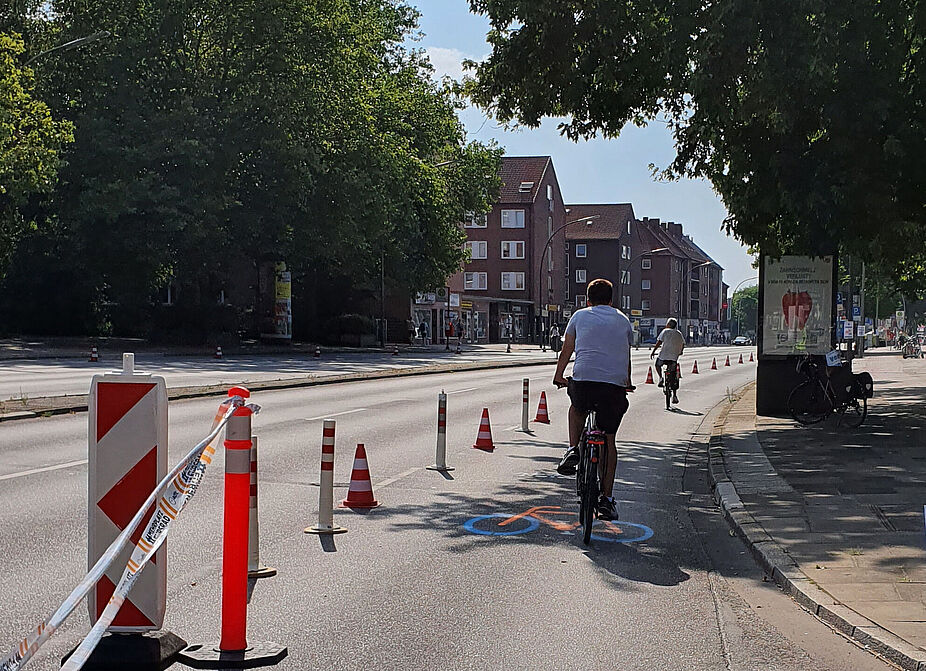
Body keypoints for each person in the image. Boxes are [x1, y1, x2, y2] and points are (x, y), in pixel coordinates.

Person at [553, 278, 633, 521]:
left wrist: (558, 375)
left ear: (588, 300)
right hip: (613, 387)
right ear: (611, 300)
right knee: (609, 441)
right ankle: (607, 500)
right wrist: (626, 382)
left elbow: (567, 349)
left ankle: (572, 449)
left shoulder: (579, 316)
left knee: (576, 408)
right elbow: (624, 353)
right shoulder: (623, 320)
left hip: (584, 382)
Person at [650, 318, 685, 404]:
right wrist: (680, 351)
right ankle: (675, 396)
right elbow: (683, 344)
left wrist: (653, 351)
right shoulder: (679, 333)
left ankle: (661, 378)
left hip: (663, 356)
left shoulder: (665, 331)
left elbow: (659, 342)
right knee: (674, 376)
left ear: (668, 324)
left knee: (657, 365)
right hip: (673, 358)